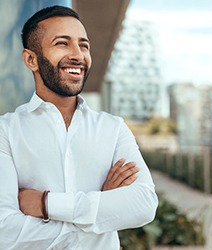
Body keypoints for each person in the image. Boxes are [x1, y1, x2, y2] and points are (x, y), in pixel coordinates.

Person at [0, 5, 158, 250]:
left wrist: (46, 204)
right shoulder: (6, 131)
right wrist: (101, 210)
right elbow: (5, 231)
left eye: (83, 45)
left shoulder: (113, 128)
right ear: (31, 59)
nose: (78, 55)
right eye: (62, 43)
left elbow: (144, 204)